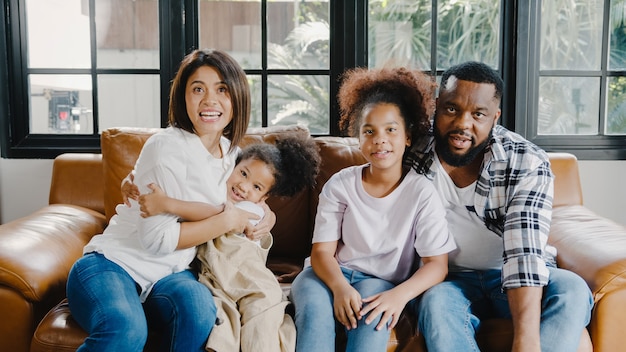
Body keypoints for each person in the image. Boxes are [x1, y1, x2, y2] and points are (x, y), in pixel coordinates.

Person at [66, 48, 273, 352]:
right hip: (112, 264)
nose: (209, 101)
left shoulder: (230, 153)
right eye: (198, 89)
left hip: (170, 277)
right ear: (183, 97)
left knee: (200, 313)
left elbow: (250, 193)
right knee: (127, 330)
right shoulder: (166, 147)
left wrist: (267, 215)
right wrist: (224, 221)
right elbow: (156, 239)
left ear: (237, 98)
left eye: (221, 90)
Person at [406, 61, 593, 351]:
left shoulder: (526, 162)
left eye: (478, 114)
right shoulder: (410, 152)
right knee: (436, 301)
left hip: (510, 274)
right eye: (452, 109)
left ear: (495, 117)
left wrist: (526, 341)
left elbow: (525, 253)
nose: (462, 125)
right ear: (437, 105)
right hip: (451, 280)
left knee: (572, 288)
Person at [289, 67, 457, 352]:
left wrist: (398, 296)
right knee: (316, 320)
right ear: (358, 137)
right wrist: (340, 288)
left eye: (391, 130)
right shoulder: (340, 184)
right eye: (369, 131)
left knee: (372, 327)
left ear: (407, 137)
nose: (380, 139)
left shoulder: (422, 192)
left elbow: (437, 265)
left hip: (380, 283)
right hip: (325, 276)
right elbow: (321, 253)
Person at [136, 134, 321, 352]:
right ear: (231, 167)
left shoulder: (251, 210)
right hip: (219, 279)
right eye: (243, 173)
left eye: (256, 187)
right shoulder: (214, 192)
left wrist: (167, 204)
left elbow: (215, 213)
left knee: (262, 323)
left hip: (250, 279)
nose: (244, 187)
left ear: (264, 198)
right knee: (223, 322)